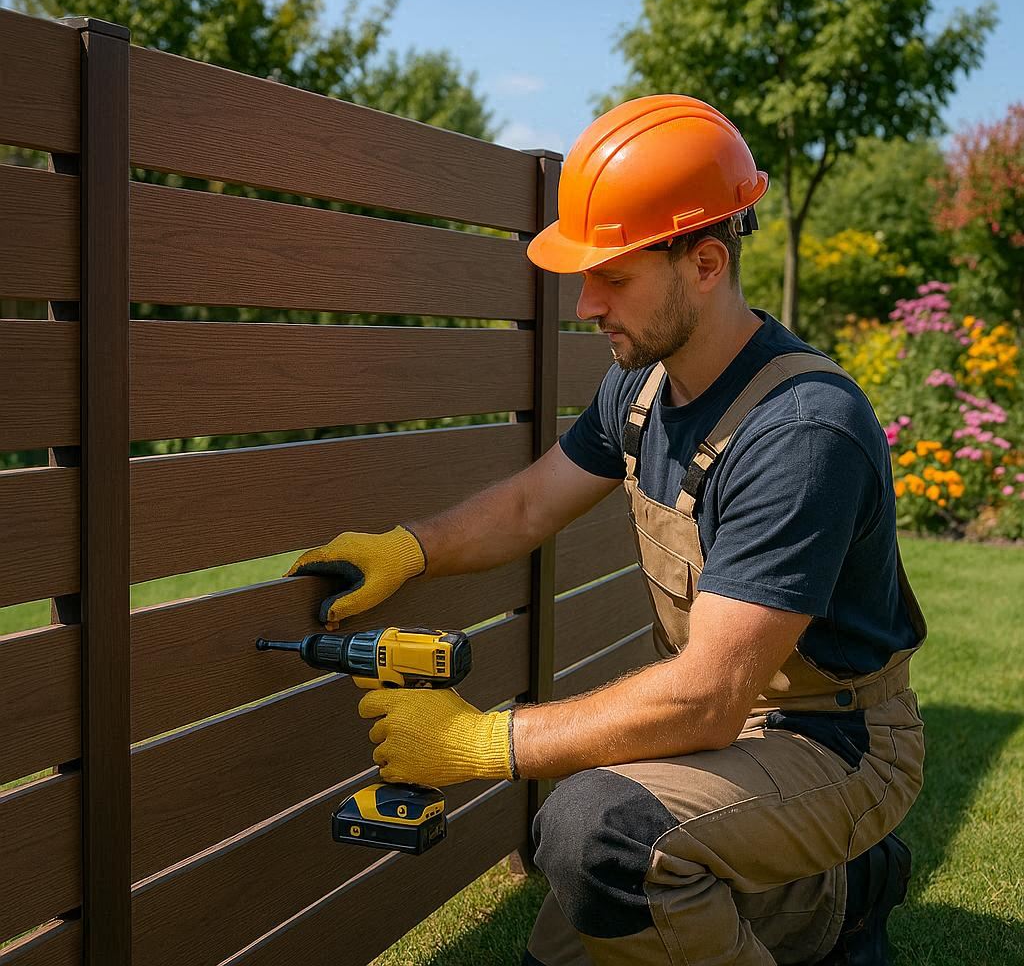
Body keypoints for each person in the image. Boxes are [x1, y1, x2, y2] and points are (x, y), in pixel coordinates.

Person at [284, 95, 926, 966]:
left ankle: (830, 878)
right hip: (737, 729)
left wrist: (478, 743)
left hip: (839, 741)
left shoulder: (803, 432)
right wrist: (408, 550)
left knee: (600, 836)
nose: (586, 304)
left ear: (704, 262)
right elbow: (527, 506)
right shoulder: (643, 388)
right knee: (576, 940)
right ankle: (834, 898)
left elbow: (705, 697)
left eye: (613, 276)